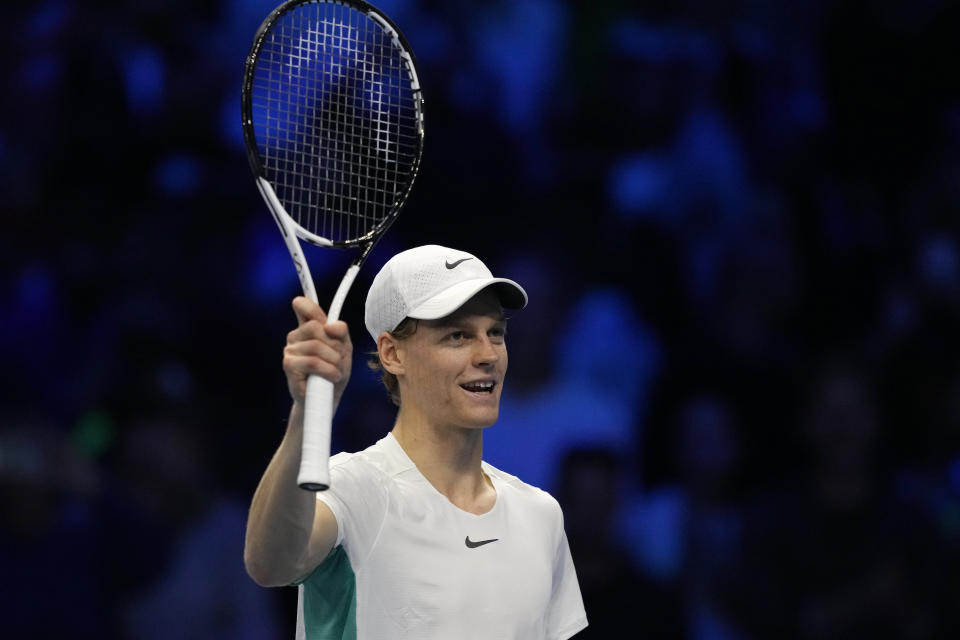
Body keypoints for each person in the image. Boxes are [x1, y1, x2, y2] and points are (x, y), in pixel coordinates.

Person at [244, 245, 588, 640]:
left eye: (495, 333)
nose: (488, 354)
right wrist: (308, 410)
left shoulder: (541, 514)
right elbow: (270, 564)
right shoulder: (352, 488)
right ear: (393, 353)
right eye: (458, 336)